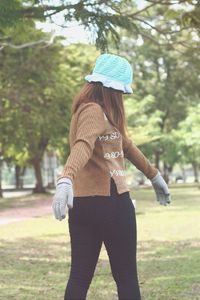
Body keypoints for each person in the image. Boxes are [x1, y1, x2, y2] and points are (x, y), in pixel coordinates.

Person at [52, 53, 171, 300]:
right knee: (126, 277)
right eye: (120, 92)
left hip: (83, 205)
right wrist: (66, 178)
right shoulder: (94, 111)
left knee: (79, 277)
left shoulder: (95, 113)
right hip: (112, 202)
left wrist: (154, 175)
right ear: (109, 88)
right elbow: (82, 145)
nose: (121, 98)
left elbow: (126, 146)